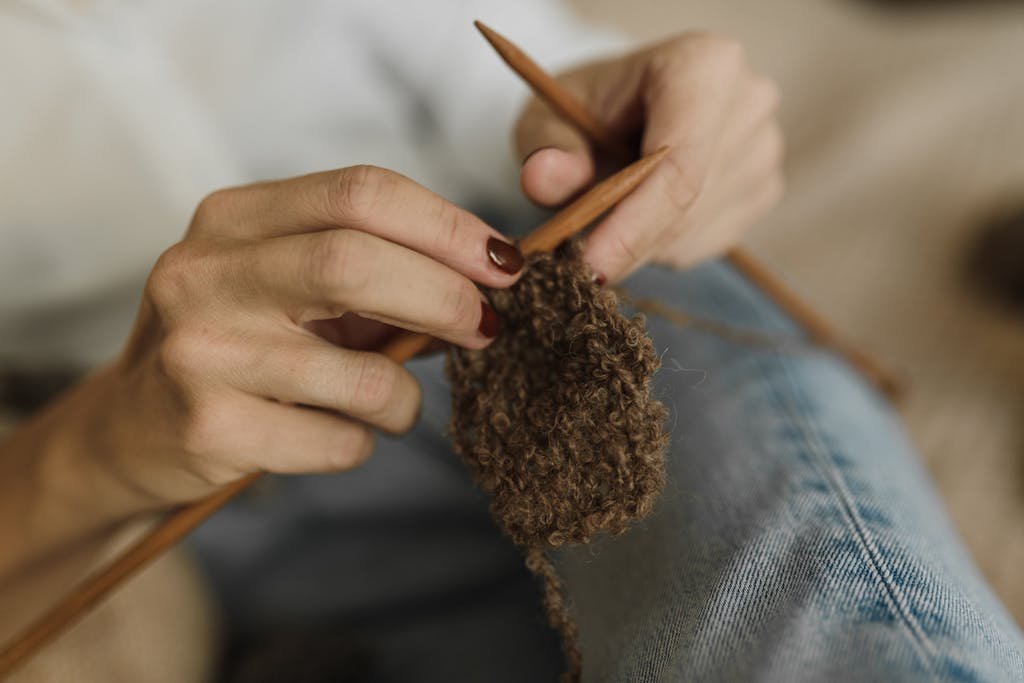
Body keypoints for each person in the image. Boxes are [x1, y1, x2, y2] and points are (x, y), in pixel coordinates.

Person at [1, 1, 1022, 681]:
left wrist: (641, 127)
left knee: (779, 565)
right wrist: (96, 448)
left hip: (543, 295)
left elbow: (541, 92)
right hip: (143, 468)